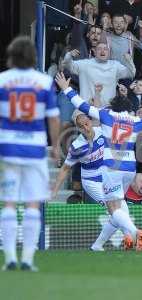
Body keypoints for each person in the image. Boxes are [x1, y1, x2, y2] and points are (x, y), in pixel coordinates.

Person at [55, 72, 142, 250]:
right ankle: (98, 246)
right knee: (119, 209)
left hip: (111, 168)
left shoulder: (106, 115)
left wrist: (66, 89)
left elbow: (81, 105)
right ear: (128, 108)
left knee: (113, 209)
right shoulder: (136, 120)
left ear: (113, 106)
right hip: (129, 169)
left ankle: (135, 233)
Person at [0, 36, 60, 271]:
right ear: (33, 57)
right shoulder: (44, 82)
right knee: (33, 203)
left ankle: (10, 259)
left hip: (7, 148)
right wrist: (55, 146)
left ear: (11, 56)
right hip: (34, 149)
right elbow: (53, 117)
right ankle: (27, 259)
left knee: (9, 202)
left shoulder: (2, 80)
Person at [52, 111, 135, 251]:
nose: (86, 127)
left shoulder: (103, 132)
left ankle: (98, 245)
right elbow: (65, 169)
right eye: (81, 126)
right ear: (77, 128)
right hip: (91, 181)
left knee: (122, 209)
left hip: (107, 177)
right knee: (116, 209)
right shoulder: (77, 146)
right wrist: (54, 190)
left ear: (91, 121)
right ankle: (135, 240)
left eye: (87, 123)